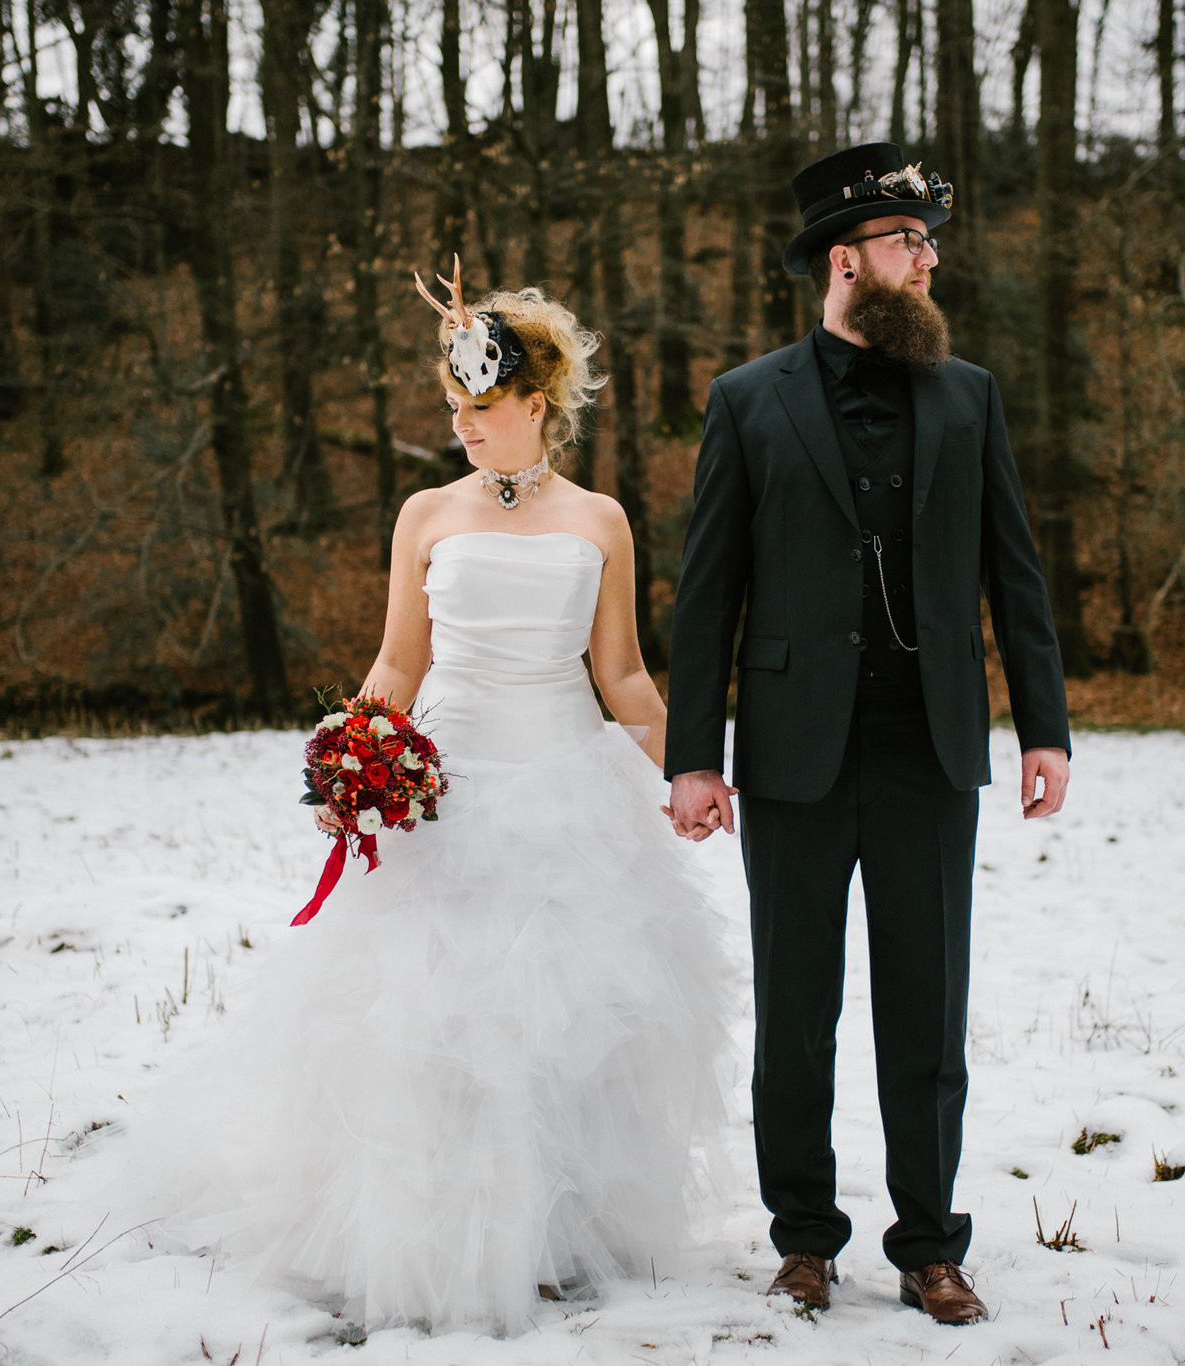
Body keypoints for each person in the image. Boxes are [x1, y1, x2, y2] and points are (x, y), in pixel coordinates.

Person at [93, 265, 731, 1336]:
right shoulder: (426, 513)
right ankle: (433, 1232)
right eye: (452, 409)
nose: (462, 427)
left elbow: (620, 673)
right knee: (432, 1023)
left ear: (538, 404)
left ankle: (555, 1235)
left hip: (571, 792)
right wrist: (352, 755)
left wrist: (689, 765)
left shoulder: (602, 521)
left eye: (480, 409)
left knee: (566, 1022)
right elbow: (397, 662)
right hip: (448, 793)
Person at [663, 142, 1072, 1327]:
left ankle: (929, 1243)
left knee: (925, 1010)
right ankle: (803, 1241)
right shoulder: (747, 400)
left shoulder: (969, 395)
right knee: (795, 1011)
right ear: (845, 261)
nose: (928, 259)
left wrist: (1041, 726)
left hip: (931, 749)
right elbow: (706, 591)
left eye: (928, 242)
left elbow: (1015, 571)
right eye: (908, 242)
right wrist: (695, 755)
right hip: (792, 753)